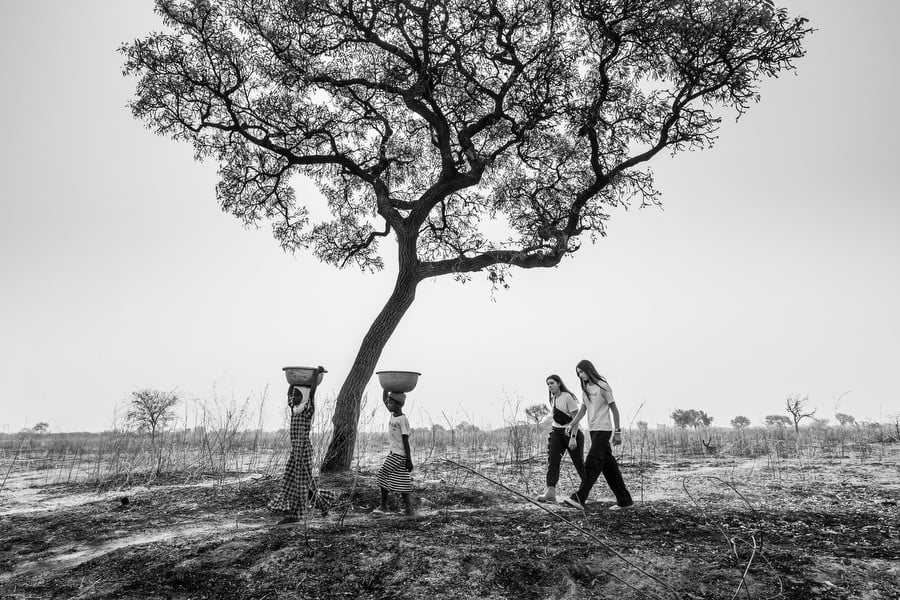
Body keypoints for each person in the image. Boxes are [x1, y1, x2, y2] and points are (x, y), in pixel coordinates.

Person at [562, 359, 633, 511]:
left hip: (604, 429)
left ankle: (579, 497)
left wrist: (618, 432)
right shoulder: (586, 388)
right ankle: (625, 500)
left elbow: (614, 409)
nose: (580, 376)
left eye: (582, 372)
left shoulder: (603, 386)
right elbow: (582, 411)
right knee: (609, 467)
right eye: (578, 374)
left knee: (592, 462)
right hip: (593, 430)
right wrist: (572, 423)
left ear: (589, 369)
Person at [268, 367, 337, 524]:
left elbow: (312, 393)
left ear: (305, 396)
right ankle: (324, 502)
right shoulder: (295, 409)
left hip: (304, 451)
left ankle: (297, 515)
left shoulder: (307, 409)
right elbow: (288, 396)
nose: (295, 397)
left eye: (298, 395)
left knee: (300, 484)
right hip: (296, 452)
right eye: (294, 395)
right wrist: (292, 381)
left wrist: (314, 376)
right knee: (296, 481)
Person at [535, 374, 585, 502]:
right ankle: (550, 492)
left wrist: (573, 438)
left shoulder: (567, 397)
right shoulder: (553, 399)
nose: (550, 386)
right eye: (548, 384)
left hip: (570, 432)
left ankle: (587, 490)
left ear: (559, 383)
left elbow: (575, 419)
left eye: (552, 383)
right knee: (553, 460)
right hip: (556, 432)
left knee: (578, 463)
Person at [372, 390, 417, 517]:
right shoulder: (393, 414)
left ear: (399, 405)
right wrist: (385, 387)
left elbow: (405, 441)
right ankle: (409, 509)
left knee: (382, 475)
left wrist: (409, 460)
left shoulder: (403, 420)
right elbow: (384, 399)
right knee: (402, 480)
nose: (388, 404)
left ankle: (384, 506)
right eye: (389, 402)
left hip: (399, 455)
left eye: (391, 403)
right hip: (394, 453)